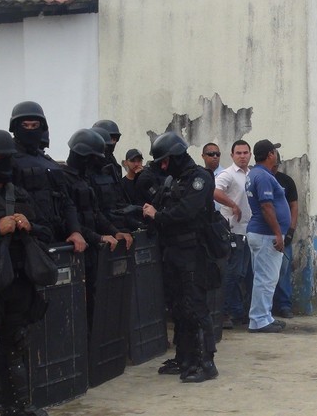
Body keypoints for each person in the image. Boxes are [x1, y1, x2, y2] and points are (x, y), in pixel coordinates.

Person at [0, 129, 53, 416]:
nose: (5, 163)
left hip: (19, 282)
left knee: (17, 345)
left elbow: (47, 230)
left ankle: (20, 406)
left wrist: (29, 226)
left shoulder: (18, 192)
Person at [142, 132, 219, 383]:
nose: (163, 167)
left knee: (196, 306)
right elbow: (158, 206)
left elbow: (187, 211)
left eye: (166, 161)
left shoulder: (200, 178)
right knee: (178, 307)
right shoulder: (172, 181)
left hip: (193, 252)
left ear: (176, 156)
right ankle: (185, 357)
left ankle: (206, 362)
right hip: (173, 251)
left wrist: (158, 216)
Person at [61, 129, 133, 328]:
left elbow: (95, 213)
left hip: (91, 251)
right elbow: (69, 221)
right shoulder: (62, 180)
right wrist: (99, 238)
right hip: (77, 252)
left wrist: (113, 231)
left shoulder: (83, 180)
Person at [9, 101, 86, 252]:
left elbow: (66, 201)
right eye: (25, 125)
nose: (30, 129)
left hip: (55, 237)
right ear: (15, 127)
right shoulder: (7, 159)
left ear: (42, 127)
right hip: (23, 240)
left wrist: (75, 231)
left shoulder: (49, 163)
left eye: (34, 125)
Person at [245, 140, 290, 333]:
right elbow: (266, 206)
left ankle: (265, 315)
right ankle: (259, 320)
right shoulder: (262, 176)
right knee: (266, 279)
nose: (276, 156)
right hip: (266, 235)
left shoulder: (255, 174)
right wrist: (278, 233)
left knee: (264, 278)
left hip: (261, 234)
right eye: (275, 152)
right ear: (270, 154)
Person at [213, 140, 252, 328]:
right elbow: (215, 192)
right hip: (232, 231)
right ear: (232, 155)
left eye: (245, 153)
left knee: (242, 274)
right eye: (239, 153)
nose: (242, 156)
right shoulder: (227, 174)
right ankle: (225, 312)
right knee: (232, 273)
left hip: (247, 230)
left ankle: (238, 312)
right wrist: (232, 205)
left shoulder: (251, 175)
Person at [272, 150, 298, 318]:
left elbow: (294, 206)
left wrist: (291, 231)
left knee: (283, 270)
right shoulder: (256, 178)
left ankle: (284, 305)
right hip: (262, 233)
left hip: (283, 233)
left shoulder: (286, 181)